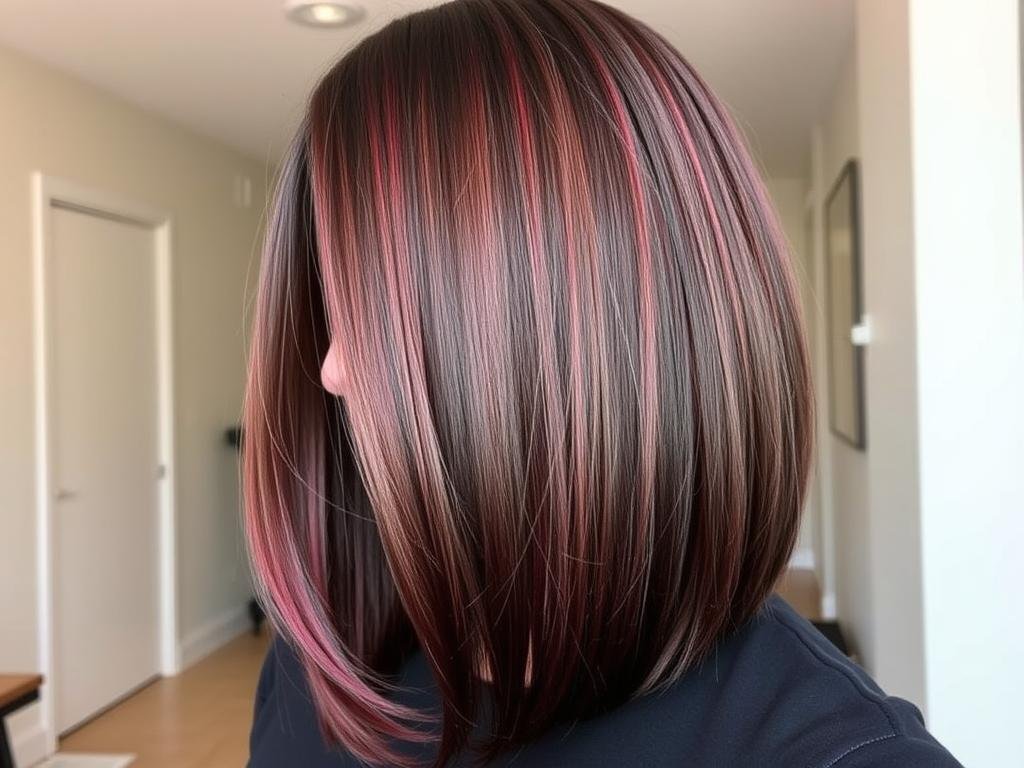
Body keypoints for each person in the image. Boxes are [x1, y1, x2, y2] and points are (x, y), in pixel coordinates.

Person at [242, 0, 961, 765]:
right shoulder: (321, 671)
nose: (333, 370)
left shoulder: (837, 751)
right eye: (336, 305)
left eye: (376, 309)